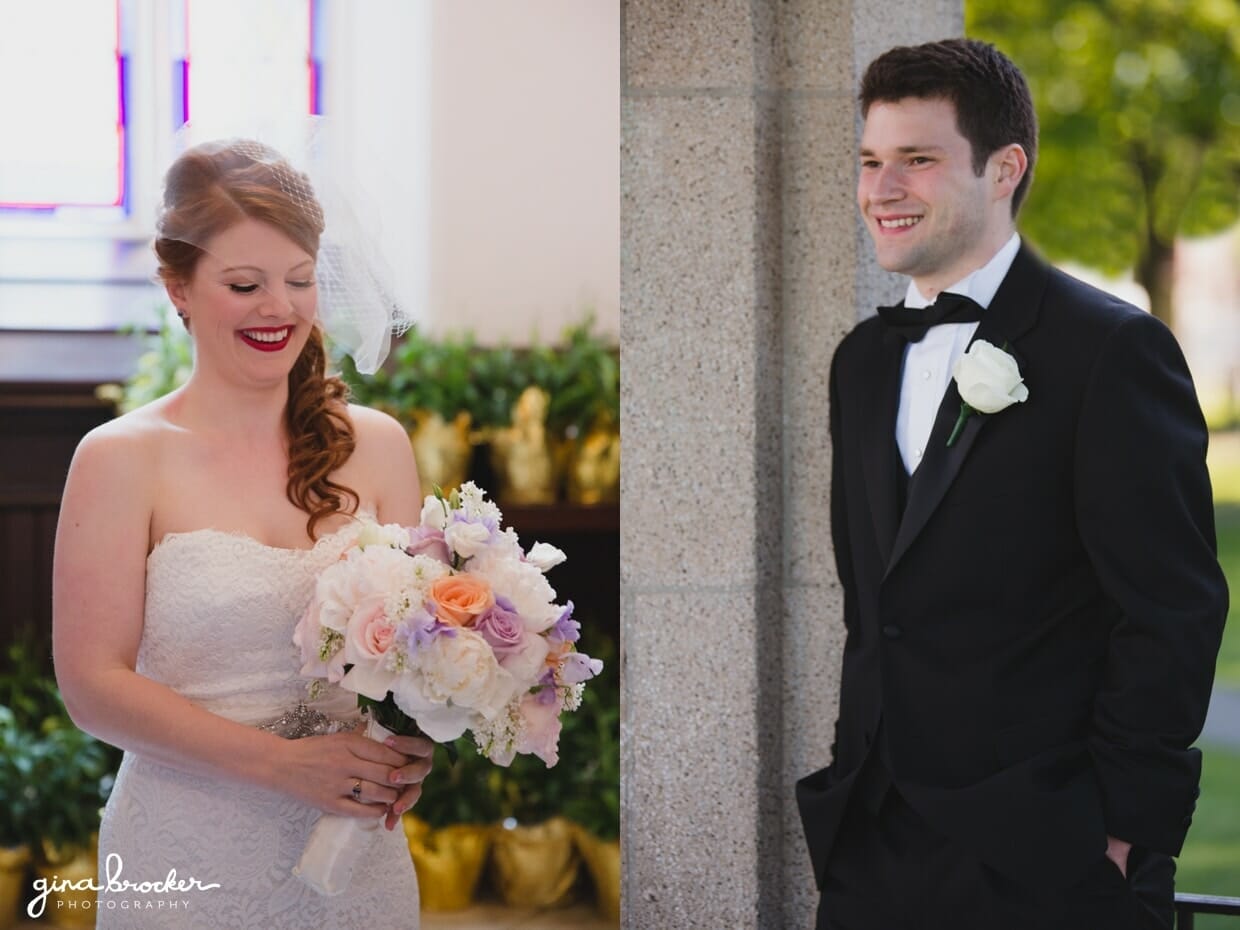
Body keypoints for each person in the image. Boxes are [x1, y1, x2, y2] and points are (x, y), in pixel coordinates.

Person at [796, 38, 1228, 930]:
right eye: (870, 161)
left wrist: (1122, 833)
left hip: (1050, 853)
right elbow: (873, 612)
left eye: (917, 160)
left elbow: (1171, 612)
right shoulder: (861, 364)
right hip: (873, 853)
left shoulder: (1111, 351)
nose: (881, 190)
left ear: (1004, 170)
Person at [53, 139, 431, 928]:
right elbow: (92, 686)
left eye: (299, 281)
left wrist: (420, 737)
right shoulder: (122, 459)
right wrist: (286, 767)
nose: (279, 309)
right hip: (187, 856)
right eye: (244, 284)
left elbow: (417, 652)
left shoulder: (381, 446)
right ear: (178, 287)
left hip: (354, 859)